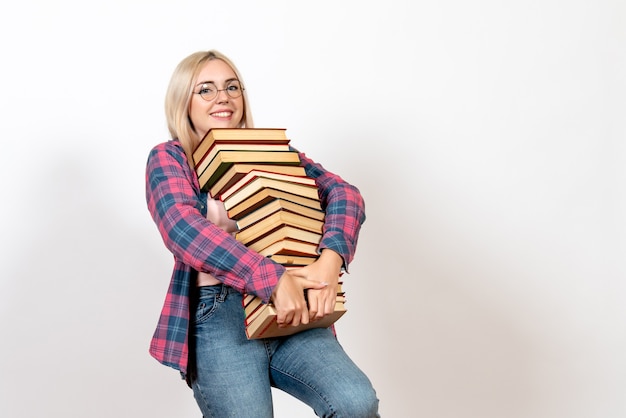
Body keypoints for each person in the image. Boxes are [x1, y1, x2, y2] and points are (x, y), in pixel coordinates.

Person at [145, 49, 380, 417]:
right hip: (220, 316)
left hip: (292, 311)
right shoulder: (170, 158)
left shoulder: (272, 152)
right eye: (205, 89)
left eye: (232, 87)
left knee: (355, 402)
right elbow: (182, 228)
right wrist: (270, 279)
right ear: (183, 102)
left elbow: (345, 194)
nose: (223, 97)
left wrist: (329, 263)